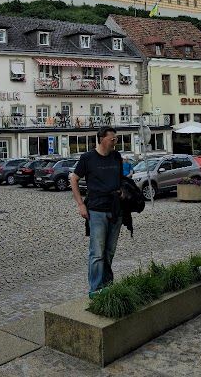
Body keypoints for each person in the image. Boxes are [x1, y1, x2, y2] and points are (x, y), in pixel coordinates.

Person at [70, 126, 123, 298]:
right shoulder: (87, 158)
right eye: (112, 139)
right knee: (97, 252)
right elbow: (74, 179)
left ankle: (108, 284)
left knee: (109, 251)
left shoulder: (116, 156)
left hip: (115, 210)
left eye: (116, 138)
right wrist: (80, 204)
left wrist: (122, 191)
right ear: (102, 139)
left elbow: (120, 179)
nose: (115, 141)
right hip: (96, 210)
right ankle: (95, 289)